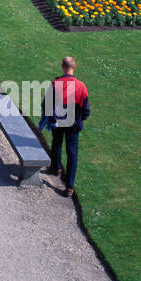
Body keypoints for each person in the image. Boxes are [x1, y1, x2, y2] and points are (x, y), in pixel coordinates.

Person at [41, 55, 91, 197]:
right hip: (74, 124)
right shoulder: (82, 86)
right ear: (74, 67)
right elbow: (86, 110)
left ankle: (56, 168)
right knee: (72, 153)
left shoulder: (55, 84)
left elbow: (46, 105)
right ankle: (69, 186)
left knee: (56, 143)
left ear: (63, 67)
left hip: (58, 121)